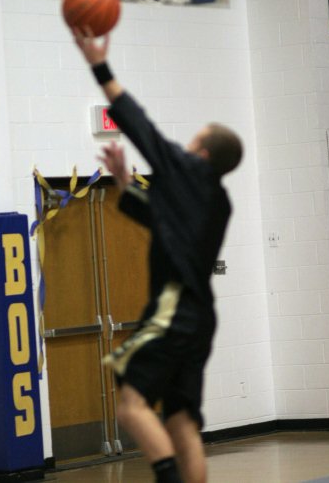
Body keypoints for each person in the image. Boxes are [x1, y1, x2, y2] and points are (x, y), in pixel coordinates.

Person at [73, 29, 243, 483]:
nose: (184, 142)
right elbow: (165, 225)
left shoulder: (185, 168)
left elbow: (137, 122)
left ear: (201, 152)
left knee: (130, 404)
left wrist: (99, 65)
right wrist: (126, 183)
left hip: (174, 308)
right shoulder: (218, 200)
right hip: (201, 316)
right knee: (181, 421)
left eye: (193, 139)